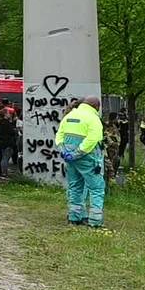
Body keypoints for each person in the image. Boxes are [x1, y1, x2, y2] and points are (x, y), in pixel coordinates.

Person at [55, 96, 107, 228]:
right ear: (96, 107)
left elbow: (59, 136)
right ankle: (95, 221)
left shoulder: (70, 115)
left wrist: (65, 152)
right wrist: (78, 153)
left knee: (75, 187)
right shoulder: (93, 118)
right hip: (88, 159)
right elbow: (93, 138)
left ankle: (74, 217)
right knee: (96, 188)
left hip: (70, 158)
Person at [0, 101, 18, 178]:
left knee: (2, 157)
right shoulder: (6, 123)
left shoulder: (1, 122)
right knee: (5, 158)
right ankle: (4, 173)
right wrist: (14, 130)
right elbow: (10, 132)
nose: (9, 114)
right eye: (8, 113)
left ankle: (1, 172)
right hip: (7, 142)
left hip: (2, 142)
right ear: (5, 114)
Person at [103, 114, 120, 189]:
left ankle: (112, 181)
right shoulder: (106, 126)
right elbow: (106, 137)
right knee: (109, 166)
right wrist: (112, 143)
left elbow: (117, 136)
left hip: (115, 148)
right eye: (116, 118)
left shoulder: (114, 126)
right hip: (109, 149)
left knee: (116, 162)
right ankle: (109, 183)